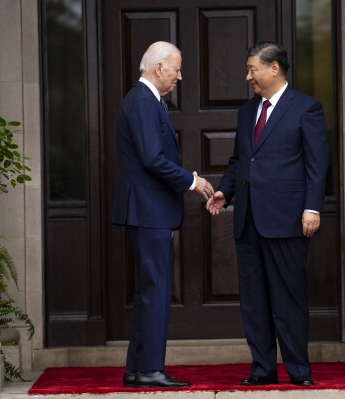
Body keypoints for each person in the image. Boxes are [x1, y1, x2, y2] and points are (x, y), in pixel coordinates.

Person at [206, 41, 329, 386]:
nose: (248, 76)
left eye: (252, 69)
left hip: (288, 219)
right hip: (248, 220)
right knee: (254, 301)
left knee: (288, 299)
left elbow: (317, 166)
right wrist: (223, 191)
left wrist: (312, 207)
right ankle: (262, 369)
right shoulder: (247, 112)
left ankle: (299, 372)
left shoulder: (306, 108)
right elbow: (239, 160)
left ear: (274, 68)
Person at [112, 41, 214, 388]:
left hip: (148, 209)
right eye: (177, 69)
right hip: (148, 210)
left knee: (148, 290)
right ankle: (150, 369)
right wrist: (192, 181)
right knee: (155, 290)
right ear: (159, 68)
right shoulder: (142, 101)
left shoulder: (147, 100)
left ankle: (138, 369)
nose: (180, 76)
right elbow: (152, 159)